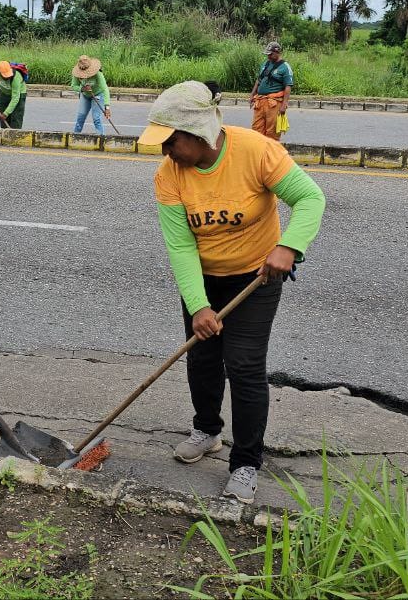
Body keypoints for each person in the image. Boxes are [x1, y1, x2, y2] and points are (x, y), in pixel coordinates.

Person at [138, 80, 325, 504]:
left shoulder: (256, 151)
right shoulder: (168, 175)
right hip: (203, 279)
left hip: (255, 277)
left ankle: (245, 463)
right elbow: (181, 245)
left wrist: (288, 247)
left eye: (171, 142)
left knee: (242, 365)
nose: (165, 151)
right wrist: (199, 305)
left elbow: (310, 199)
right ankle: (207, 430)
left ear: (198, 133)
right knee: (201, 357)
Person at [249, 41, 293, 141]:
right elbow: (259, 80)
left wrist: (284, 105)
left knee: (272, 132)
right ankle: (259, 155)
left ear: (277, 52)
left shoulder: (285, 67)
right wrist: (252, 95)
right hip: (260, 102)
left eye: (270, 54)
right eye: (267, 54)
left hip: (273, 104)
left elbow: (288, 86)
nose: (268, 56)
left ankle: (271, 155)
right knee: (256, 131)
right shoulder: (266, 64)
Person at [69, 54, 112, 135]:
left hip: (98, 95)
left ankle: (101, 139)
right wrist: (82, 89)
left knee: (96, 118)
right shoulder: (77, 74)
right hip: (85, 95)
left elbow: (104, 89)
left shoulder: (98, 73)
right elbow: (73, 86)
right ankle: (75, 137)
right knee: (80, 118)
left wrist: (107, 107)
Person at [0, 60, 27, 129]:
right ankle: (4, 133)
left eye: (8, 75)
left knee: (16, 117)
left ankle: (15, 135)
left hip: (19, 94)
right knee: (3, 117)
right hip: (4, 93)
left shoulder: (16, 77)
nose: (7, 77)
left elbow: (15, 98)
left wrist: (6, 113)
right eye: (5, 75)